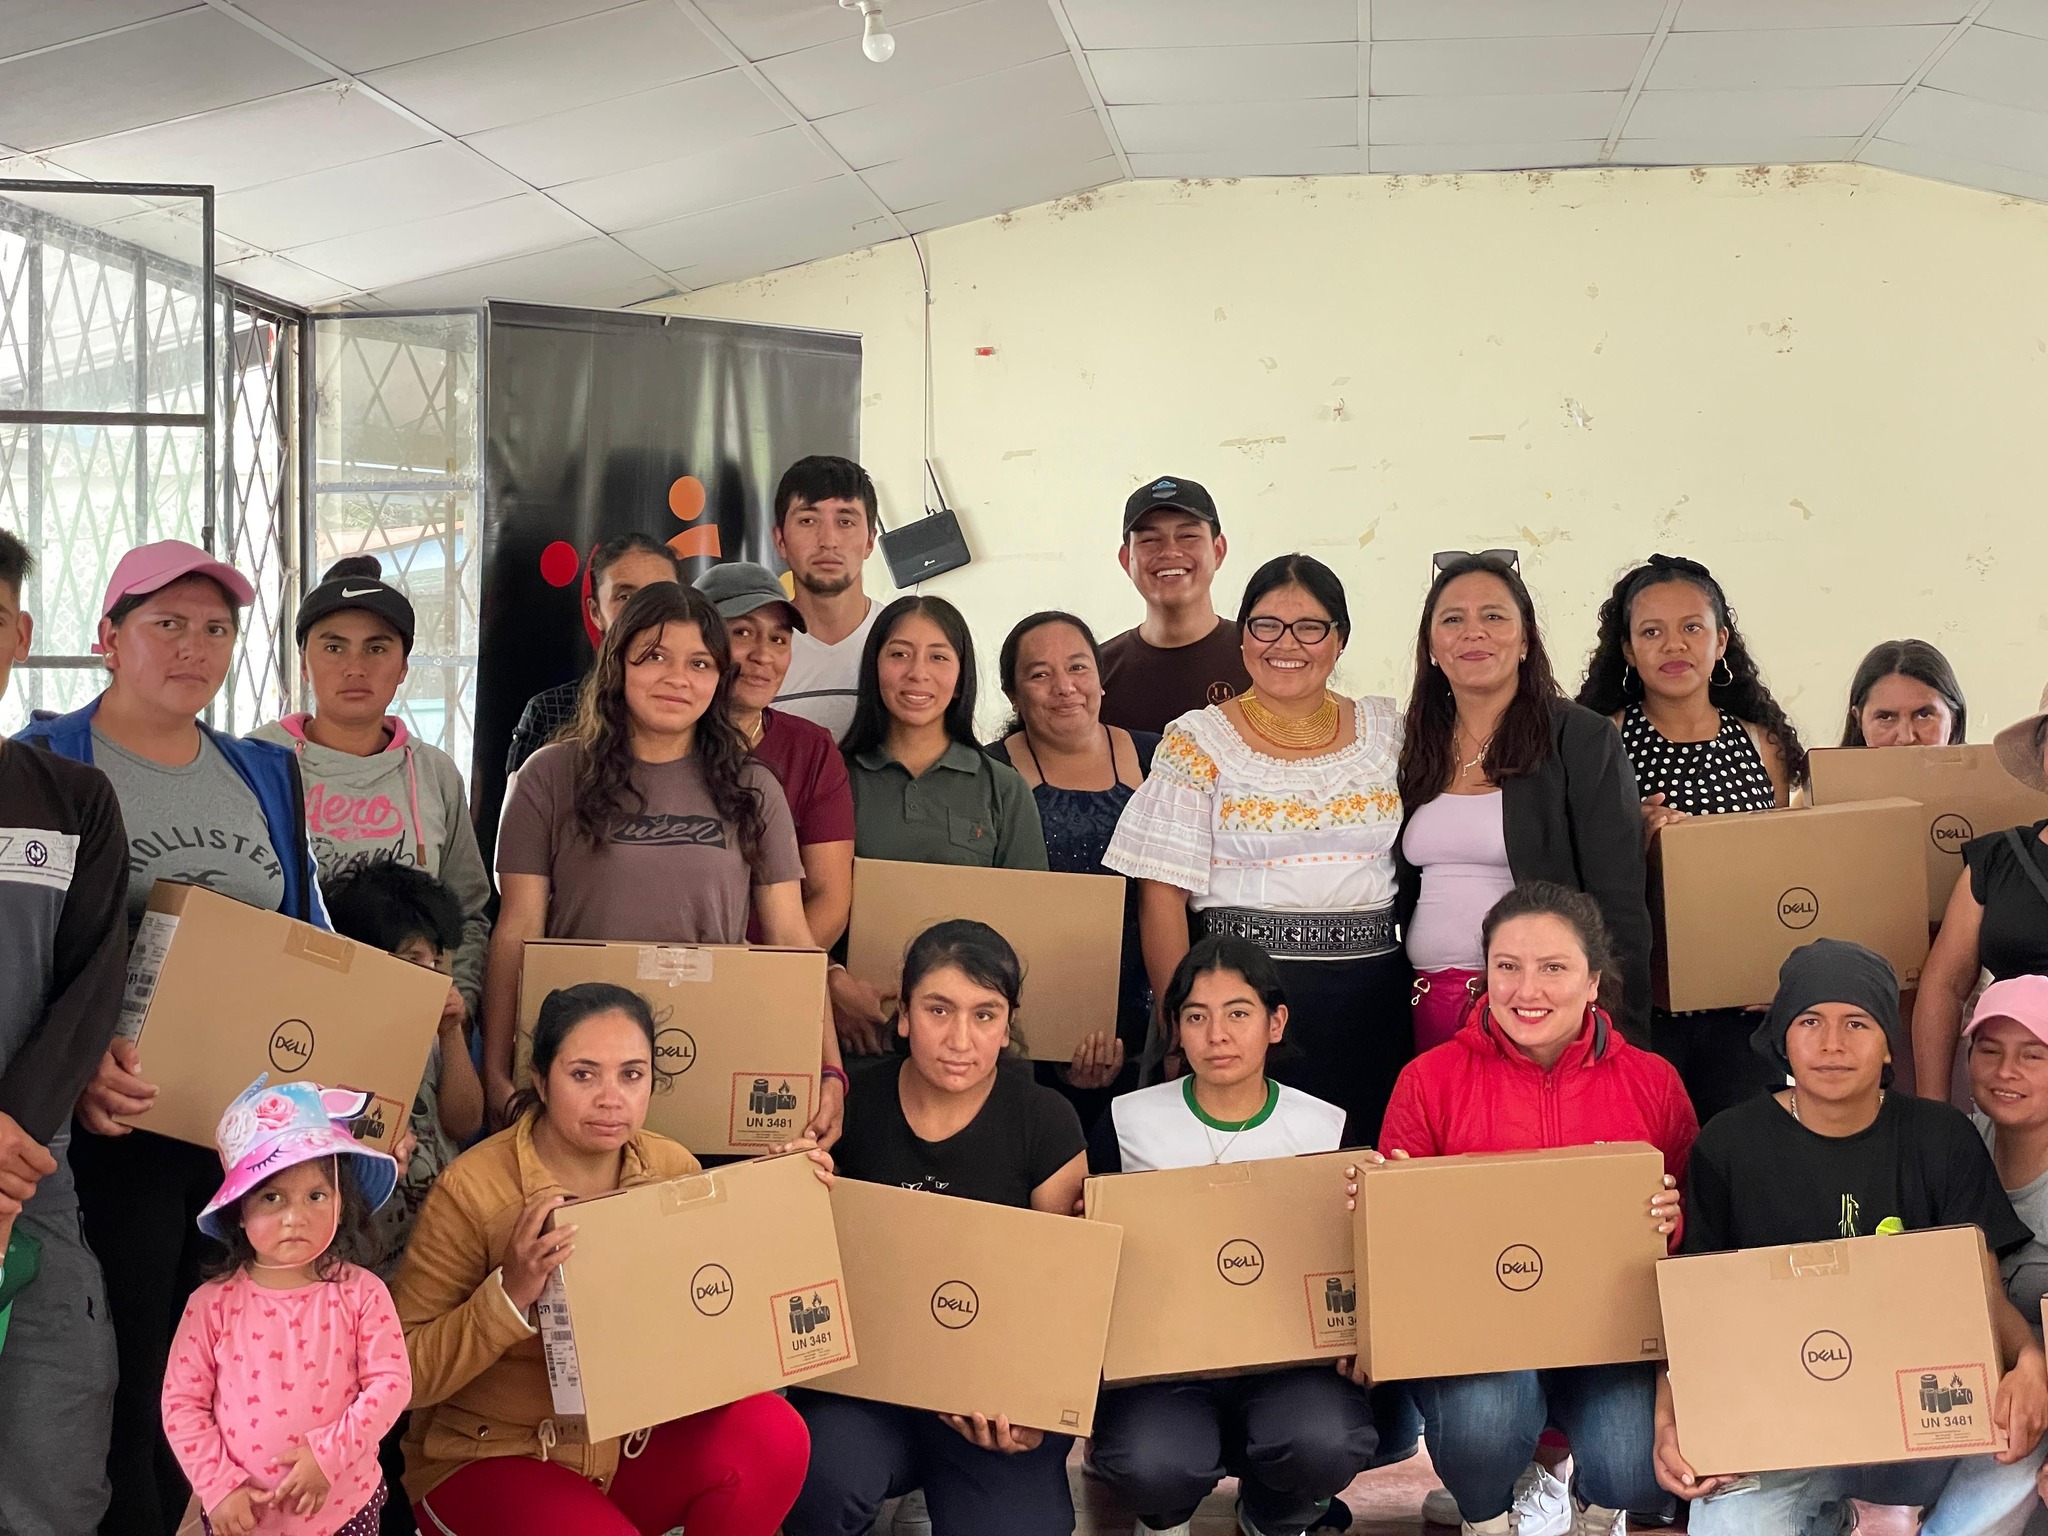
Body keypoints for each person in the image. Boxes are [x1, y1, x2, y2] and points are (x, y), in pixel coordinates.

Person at [14, 537, 329, 1536]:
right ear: (107, 639)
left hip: (248, 1119)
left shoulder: (262, 771)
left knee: (235, 1359)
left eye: (216, 629)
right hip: (117, 1117)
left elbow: (305, 936)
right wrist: (79, 1070)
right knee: (131, 1365)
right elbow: (40, 955)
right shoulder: (53, 766)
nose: (194, 646)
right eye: (166, 624)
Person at [392, 983, 819, 1534]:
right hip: (492, 1453)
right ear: (541, 1080)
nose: (611, 1098)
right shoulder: (473, 1190)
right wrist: (509, 1295)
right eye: (583, 1074)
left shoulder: (672, 1170)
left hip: (624, 1446)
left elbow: (717, 1318)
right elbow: (403, 1375)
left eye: (631, 1074)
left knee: (773, 1434)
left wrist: (782, 1197)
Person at [1654, 940, 2048, 1534]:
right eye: (1810, 1021)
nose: (1832, 1044)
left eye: (1857, 1023)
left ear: (1888, 1042)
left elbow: (1983, 1292)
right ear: (1782, 1037)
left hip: (1922, 1416)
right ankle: (1838, 1517)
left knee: (2024, 1443)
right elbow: (1695, 1312)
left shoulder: (1940, 1137)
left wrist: (2031, 1363)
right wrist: (1669, 1421)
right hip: (1784, 1424)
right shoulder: (1730, 1144)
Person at [1373, 883, 1694, 1536]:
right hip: (1478, 1333)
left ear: (1593, 982)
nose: (1528, 990)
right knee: (1483, 1423)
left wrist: (1672, 1217)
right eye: (1507, 967)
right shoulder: (1428, 1080)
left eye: (1554, 968)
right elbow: (1390, 1244)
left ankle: (1595, 1507)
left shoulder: (1652, 1081)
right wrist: (1388, 1202)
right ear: (1485, 976)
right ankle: (1488, 1513)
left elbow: (1699, 1231)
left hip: (1609, 1336)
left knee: (1634, 1457)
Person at [484, 582, 846, 1140]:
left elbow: (792, 940)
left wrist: (830, 1071)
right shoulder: (550, 776)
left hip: (708, 1056)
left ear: (719, 677)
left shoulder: (754, 788)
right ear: (617, 664)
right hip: (579, 1069)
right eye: (654, 656)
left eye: (699, 663)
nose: (678, 678)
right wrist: (495, 1072)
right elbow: (517, 932)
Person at [785, 921, 1087, 1536]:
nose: (959, 1039)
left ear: (1008, 1025)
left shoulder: (1046, 1121)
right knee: (820, 1479)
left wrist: (1034, 1410)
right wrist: (789, 1183)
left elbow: (1066, 1294)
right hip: (865, 1393)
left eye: (984, 1015)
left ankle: (948, 1490)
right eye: (938, 1010)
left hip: (990, 1398)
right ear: (903, 1015)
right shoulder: (850, 1110)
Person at [1106, 553, 1409, 1145]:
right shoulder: (1198, 741)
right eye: (1266, 625)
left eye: (1310, 627)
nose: (1285, 644)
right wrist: (1182, 1027)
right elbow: (1161, 895)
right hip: (1243, 1003)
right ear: (1243, 636)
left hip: (1372, 998)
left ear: (1340, 639)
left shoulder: (1387, 732)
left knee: (1362, 1166)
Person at [1087, 936, 1376, 1536]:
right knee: (1149, 1461)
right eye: (1196, 1017)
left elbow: (1356, 1259)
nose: (1216, 1035)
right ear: (1176, 1028)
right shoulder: (1127, 1122)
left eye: (1238, 1013)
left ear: (1276, 1023)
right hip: (1164, 1369)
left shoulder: (1325, 1127)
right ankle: (1164, 1517)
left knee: (1325, 1440)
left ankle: (1275, 1511)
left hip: (1290, 1364)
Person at [1575, 553, 1806, 1124]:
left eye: (1692, 628)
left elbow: (1788, 873)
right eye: (1651, 632)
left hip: (1743, 1004)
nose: (1673, 645)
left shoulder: (1762, 744)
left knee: (1741, 1156)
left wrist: (1783, 976)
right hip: (1639, 999)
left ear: (1721, 641)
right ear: (1628, 650)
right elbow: (1578, 870)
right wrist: (1631, 836)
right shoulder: (1603, 739)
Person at [0, 528, 128, 1536]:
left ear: (20, 635)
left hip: (29, 1179)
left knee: (54, 1459)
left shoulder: (70, 800)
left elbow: (90, 986)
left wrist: (10, 1141)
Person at [1395, 553, 1651, 1052]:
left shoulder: (1580, 738)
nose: (1473, 633)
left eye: (1493, 616)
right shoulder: (1413, 743)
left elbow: (1619, 901)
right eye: (1452, 619)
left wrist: (1622, 1033)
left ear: (1526, 640)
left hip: (1538, 1009)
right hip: (1427, 1002)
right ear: (1431, 646)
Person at [160, 1078, 409, 1536]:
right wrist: (217, 1486)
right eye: (272, 1197)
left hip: (344, 1509)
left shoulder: (363, 1294)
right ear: (239, 1210)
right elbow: (182, 1404)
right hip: (244, 1518)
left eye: (316, 1196)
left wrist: (328, 1455)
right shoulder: (210, 1306)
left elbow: (391, 1385)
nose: (295, 1217)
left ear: (341, 1203)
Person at [254, 555, 493, 1025]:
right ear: (303, 663)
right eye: (334, 647)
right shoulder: (257, 761)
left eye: (377, 648)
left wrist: (455, 1010)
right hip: (281, 1019)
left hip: (404, 1026)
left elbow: (467, 914)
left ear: (403, 666)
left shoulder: (435, 773)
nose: (355, 667)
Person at [832, 596, 1048, 1055]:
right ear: (874, 668)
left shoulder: (1003, 788)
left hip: (972, 1049)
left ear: (961, 676)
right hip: (856, 1040)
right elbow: (796, 910)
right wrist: (830, 986)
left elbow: (1030, 930)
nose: (918, 673)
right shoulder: (831, 779)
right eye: (899, 654)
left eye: (938, 657)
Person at [987, 610, 1155, 1106]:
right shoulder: (987, 772)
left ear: (1100, 679)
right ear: (1013, 695)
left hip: (1152, 1015)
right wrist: (1056, 1031)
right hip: (1028, 1022)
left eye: (1078, 667)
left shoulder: (1160, 757)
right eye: (1040, 674)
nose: (1064, 687)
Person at [1918, 976, 2048, 1536]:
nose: (2005, 1072)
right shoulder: (1950, 1146)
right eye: (1989, 1051)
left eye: (2033, 1055)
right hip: (1958, 1377)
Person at [320, 859, 483, 1269]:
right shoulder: (329, 1036)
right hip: (360, 1251)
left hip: (435, 1239)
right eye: (413, 960)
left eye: (435, 962)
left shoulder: (433, 1030)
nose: (429, 975)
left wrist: (452, 1034)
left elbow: (464, 1123)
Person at [694, 561, 855, 949]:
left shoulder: (812, 749)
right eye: (742, 632)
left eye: (779, 639)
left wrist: (770, 974)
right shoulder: (658, 744)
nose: (764, 655)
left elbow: (830, 897)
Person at [1915, 683, 2048, 1097]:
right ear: (2042, 755)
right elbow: (1944, 987)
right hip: (2012, 1089)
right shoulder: (1997, 857)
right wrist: (1935, 1110)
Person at [504, 533, 680, 775]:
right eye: (625, 597)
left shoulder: (704, 705)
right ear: (595, 612)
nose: (644, 609)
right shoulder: (550, 711)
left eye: (660, 594)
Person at [1098, 475, 1252, 737]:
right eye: (1150, 540)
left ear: (1218, 551)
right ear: (1126, 559)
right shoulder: (1096, 674)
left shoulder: (1260, 655)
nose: (1170, 552)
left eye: (1188, 536)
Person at [772, 455, 883, 741]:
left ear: (870, 540)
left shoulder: (900, 641)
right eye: (808, 521)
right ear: (780, 540)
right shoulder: (758, 653)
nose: (828, 540)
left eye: (845, 521)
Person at [1840, 639, 1967, 747]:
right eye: (1885, 717)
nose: (1906, 738)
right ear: (1859, 721)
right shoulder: (1830, 770)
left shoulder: (1978, 770)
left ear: (1953, 718)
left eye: (1924, 715)